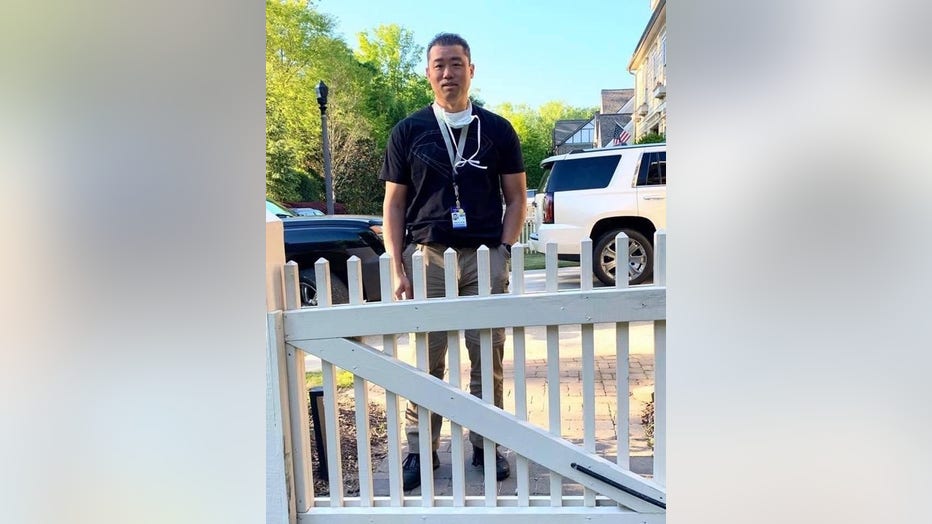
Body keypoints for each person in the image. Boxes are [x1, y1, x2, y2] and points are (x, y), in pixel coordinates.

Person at [379, 32, 527, 491]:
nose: (448, 72)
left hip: (484, 257)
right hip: (429, 258)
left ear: (471, 70)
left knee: (488, 357)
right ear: (428, 73)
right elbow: (394, 206)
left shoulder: (498, 129)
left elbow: (517, 198)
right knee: (427, 360)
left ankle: (486, 445)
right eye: (440, 64)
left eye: (457, 63)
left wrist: (502, 251)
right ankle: (421, 451)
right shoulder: (409, 131)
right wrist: (397, 265)